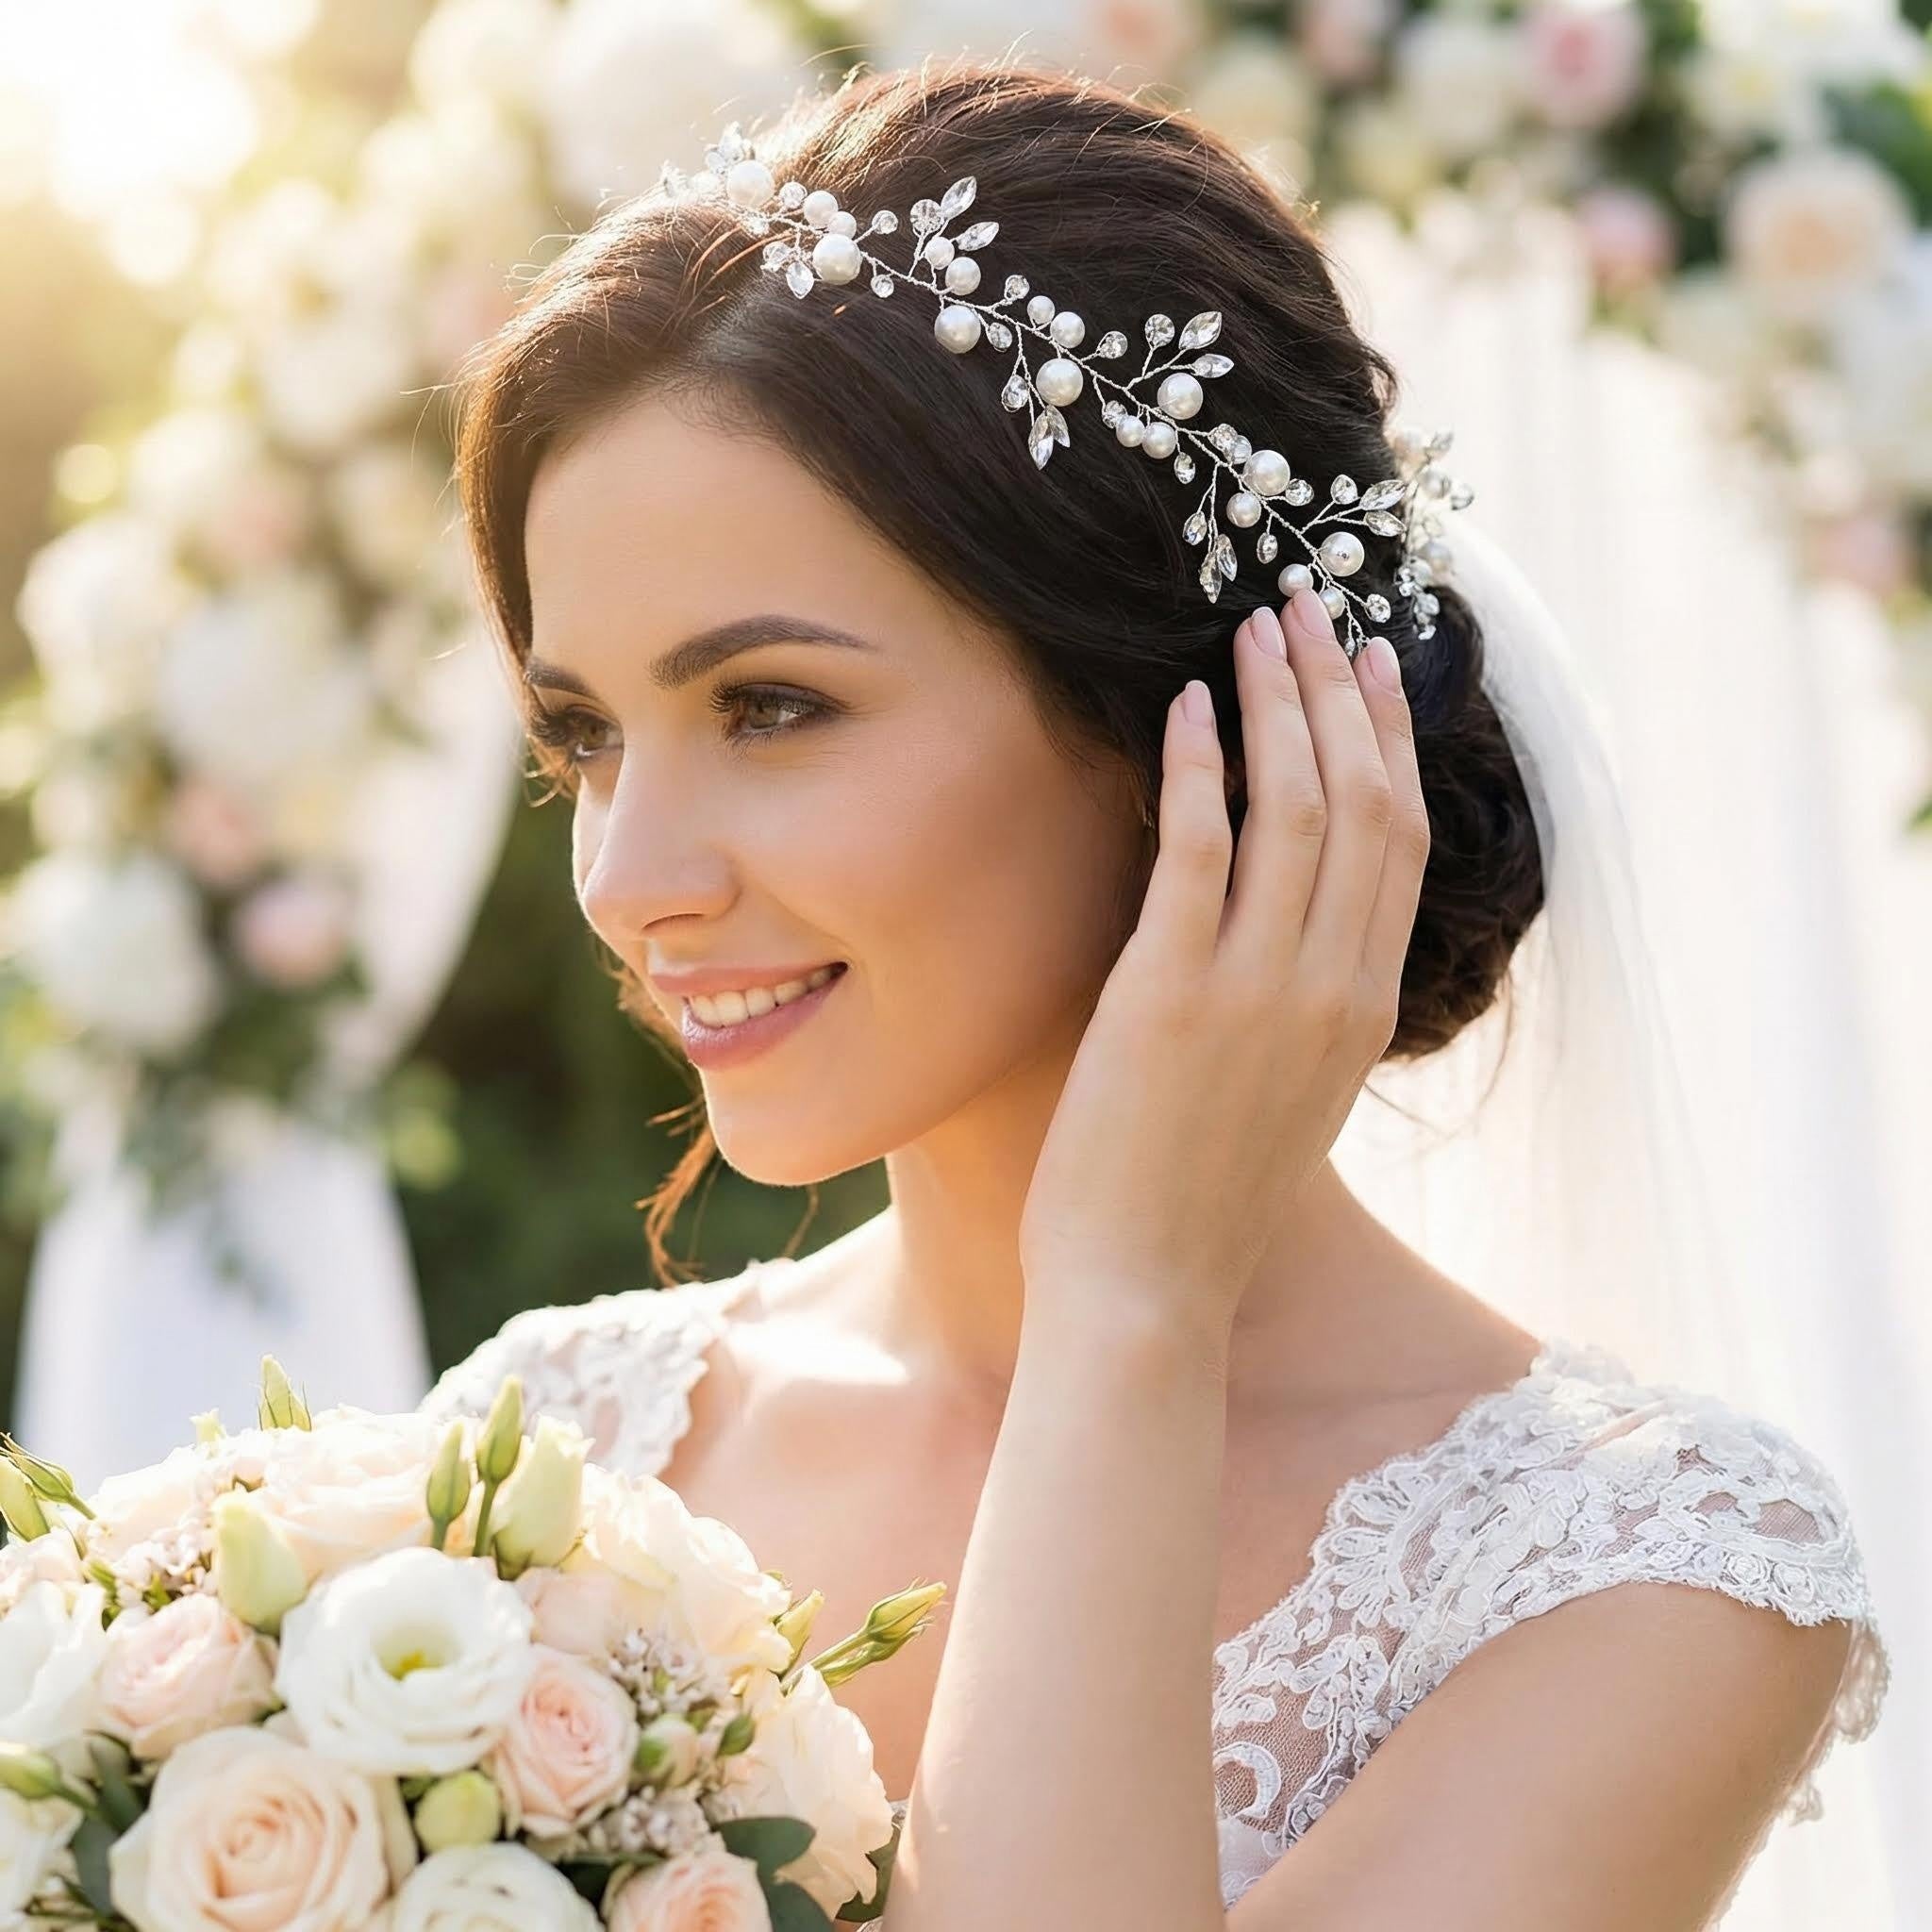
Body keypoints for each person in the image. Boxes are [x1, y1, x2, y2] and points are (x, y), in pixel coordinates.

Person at [419, 58, 1890, 1927]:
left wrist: (1129, 1304)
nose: (631, 882)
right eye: (584, 735)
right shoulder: (544, 1452)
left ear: (1184, 720)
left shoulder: (1646, 1579)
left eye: (771, 705)